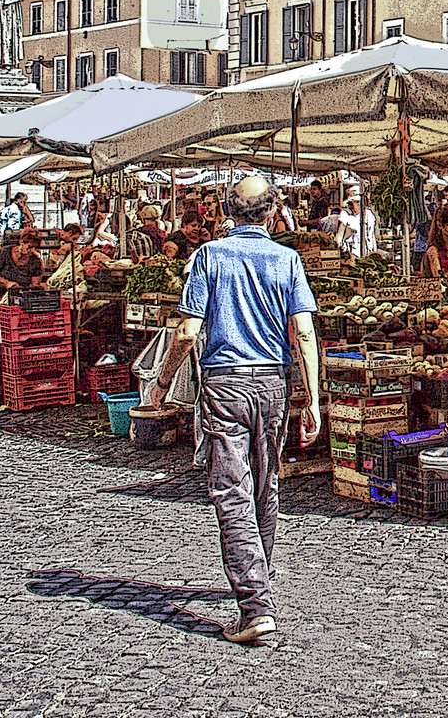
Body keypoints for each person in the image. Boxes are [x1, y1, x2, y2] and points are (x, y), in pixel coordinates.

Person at [149, 176, 322, 645]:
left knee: (232, 491)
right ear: (272, 212)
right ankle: (257, 587)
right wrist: (315, 399)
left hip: (224, 384)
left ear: (228, 210)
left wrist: (161, 386)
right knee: (265, 486)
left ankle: (255, 606)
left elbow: (186, 333)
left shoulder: (209, 256)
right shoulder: (287, 259)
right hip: (272, 384)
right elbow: (303, 334)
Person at [0, 228, 47, 305]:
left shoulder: (35, 262)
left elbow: (35, 285)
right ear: (21, 242)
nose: (29, 251)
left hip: (19, 301)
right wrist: (6, 283)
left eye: (33, 248)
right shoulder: (5, 253)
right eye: (28, 247)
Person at [337, 192, 378, 258]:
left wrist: (374, 251)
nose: (351, 207)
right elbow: (340, 234)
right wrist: (339, 245)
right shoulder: (345, 214)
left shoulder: (368, 214)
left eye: (355, 203)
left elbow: (372, 235)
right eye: (350, 204)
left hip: (368, 252)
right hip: (351, 253)